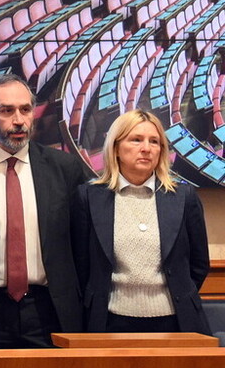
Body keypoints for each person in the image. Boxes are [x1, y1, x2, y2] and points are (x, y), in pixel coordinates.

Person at [0, 74, 93, 348]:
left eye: (25, 109)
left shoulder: (64, 168)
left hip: (50, 311)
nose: (19, 120)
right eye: (6, 111)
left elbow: (82, 246)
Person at [72, 110, 210, 334]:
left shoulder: (184, 197)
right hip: (109, 321)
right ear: (116, 147)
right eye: (136, 139)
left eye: (154, 141)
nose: (146, 148)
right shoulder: (89, 197)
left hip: (176, 321)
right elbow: (81, 265)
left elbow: (199, 263)